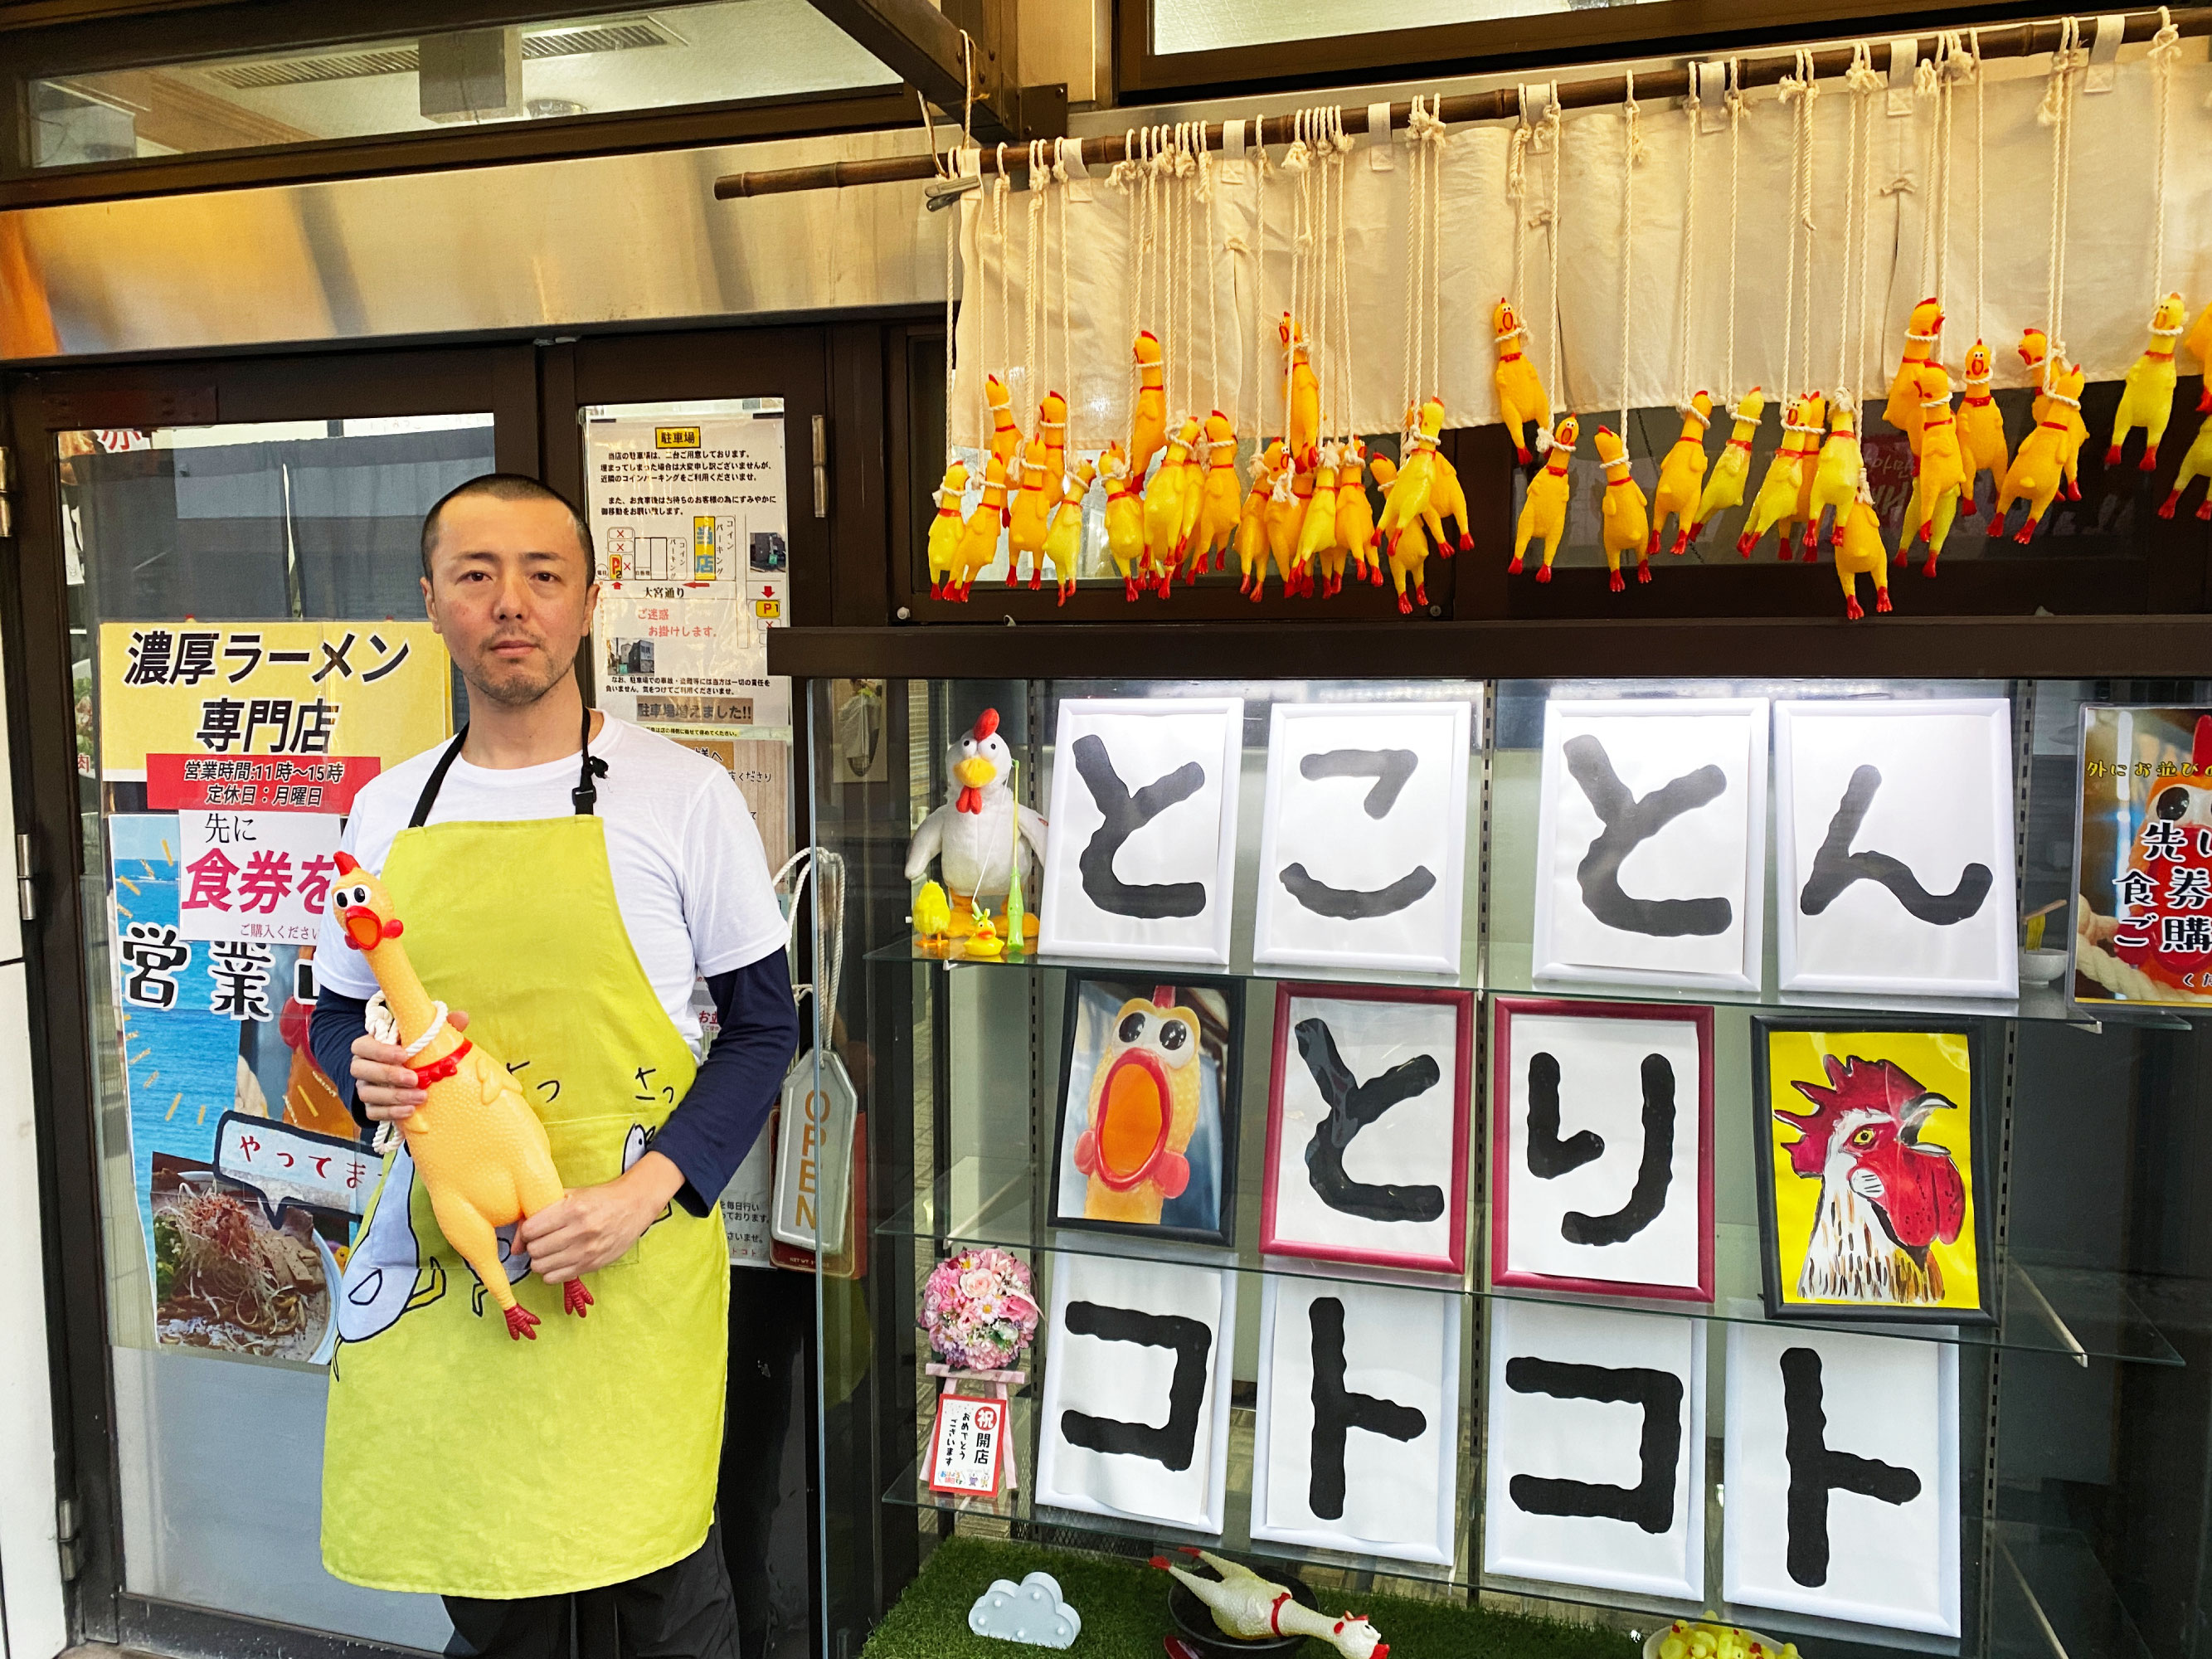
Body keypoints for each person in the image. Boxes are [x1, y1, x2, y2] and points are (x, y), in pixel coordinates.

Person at [308, 474, 799, 1659]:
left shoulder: (686, 797)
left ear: (592, 599)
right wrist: (364, 1077)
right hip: (459, 1275)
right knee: (496, 1596)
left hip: (629, 1267)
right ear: (432, 600)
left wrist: (646, 1194)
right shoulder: (385, 813)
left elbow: (763, 1029)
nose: (509, 603)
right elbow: (333, 1020)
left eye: (542, 574)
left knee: (662, 1600)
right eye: (475, 575)